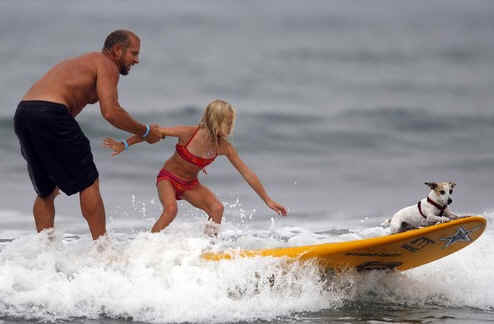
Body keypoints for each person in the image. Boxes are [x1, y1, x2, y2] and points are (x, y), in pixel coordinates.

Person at [13, 29, 162, 240]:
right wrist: (146, 132)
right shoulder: (106, 64)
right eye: (134, 53)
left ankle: (44, 252)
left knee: (45, 190)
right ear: (118, 50)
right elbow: (111, 112)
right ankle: (102, 249)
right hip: (51, 112)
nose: (137, 60)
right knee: (88, 182)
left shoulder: (84, 63)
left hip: (24, 113)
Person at [103, 99, 287, 234]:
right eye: (228, 122)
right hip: (168, 178)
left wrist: (267, 200)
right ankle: (149, 244)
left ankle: (209, 249)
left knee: (217, 208)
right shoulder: (188, 133)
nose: (231, 126)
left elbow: (247, 173)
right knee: (171, 210)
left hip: (189, 185)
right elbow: (151, 133)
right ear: (216, 121)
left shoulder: (224, 147)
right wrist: (124, 144)